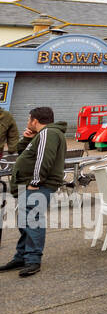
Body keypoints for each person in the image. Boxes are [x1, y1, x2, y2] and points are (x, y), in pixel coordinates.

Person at [0, 107, 66, 277]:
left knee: (32, 219)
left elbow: (44, 159)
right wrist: (27, 138)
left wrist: (35, 182)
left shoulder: (48, 133)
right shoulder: (40, 135)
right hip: (30, 184)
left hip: (37, 185)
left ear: (35, 120)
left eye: (29, 119)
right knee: (25, 221)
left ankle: (33, 260)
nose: (28, 122)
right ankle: (22, 256)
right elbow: (23, 153)